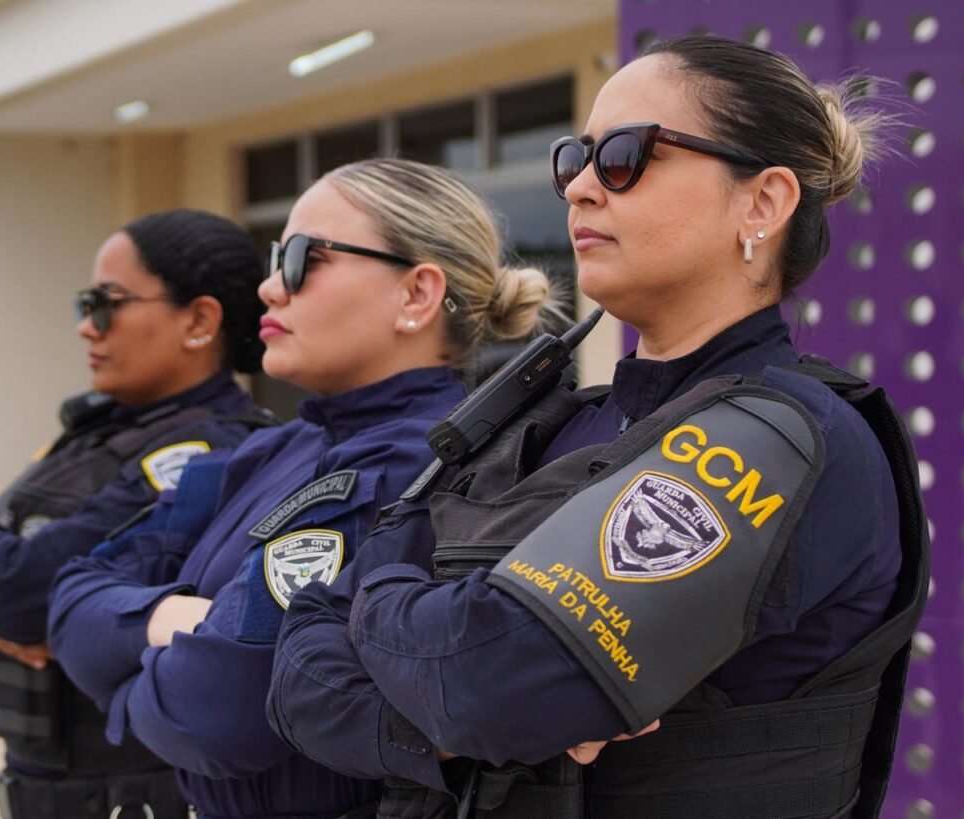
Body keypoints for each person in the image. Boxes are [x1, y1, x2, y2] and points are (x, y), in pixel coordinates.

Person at [267, 35, 928, 819]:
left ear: (763, 202)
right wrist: (443, 712)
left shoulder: (787, 437)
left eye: (625, 154)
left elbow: (487, 684)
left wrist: (377, 598)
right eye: (574, 158)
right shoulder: (549, 424)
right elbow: (298, 677)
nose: (580, 186)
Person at [47, 158, 564, 819]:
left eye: (299, 259)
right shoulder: (270, 450)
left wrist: (122, 686)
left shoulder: (412, 469)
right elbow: (70, 599)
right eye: (273, 258)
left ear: (416, 294)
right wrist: (170, 619)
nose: (269, 287)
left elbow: (215, 713)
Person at [0, 208, 275, 819]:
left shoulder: (214, 452)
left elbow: (11, 590)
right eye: (85, 304)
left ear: (199, 321)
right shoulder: (96, 435)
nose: (86, 328)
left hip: (132, 797)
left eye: (107, 303)